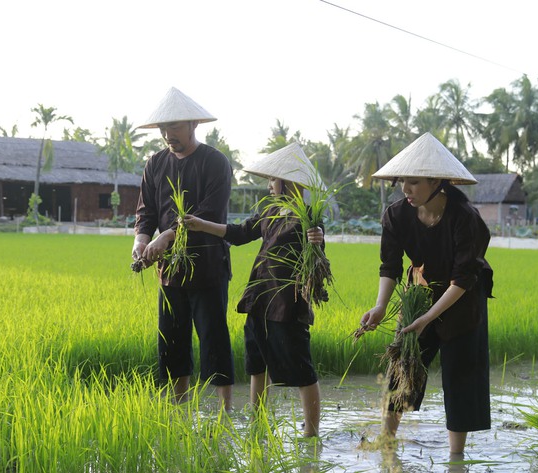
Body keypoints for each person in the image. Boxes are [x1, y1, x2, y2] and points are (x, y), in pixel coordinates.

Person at [359, 132, 493, 454]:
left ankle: (455, 456)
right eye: (403, 181)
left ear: (438, 182)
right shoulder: (396, 215)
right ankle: (387, 441)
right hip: (418, 296)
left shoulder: (465, 218)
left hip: (461, 301)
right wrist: (380, 307)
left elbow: (462, 278)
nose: (406, 189)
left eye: (414, 182)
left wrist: (430, 318)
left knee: (459, 375)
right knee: (402, 366)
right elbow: (389, 267)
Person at [183, 142, 326, 437]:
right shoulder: (270, 211)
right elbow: (238, 233)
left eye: (273, 180)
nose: (270, 185)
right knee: (255, 361)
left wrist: (318, 237)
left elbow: (317, 249)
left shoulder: (309, 216)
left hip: (288, 302)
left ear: (290, 183)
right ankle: (257, 422)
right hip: (260, 297)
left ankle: (311, 434)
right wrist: (200, 224)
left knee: (302, 367)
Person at [132, 86, 235, 410]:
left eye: (174, 127)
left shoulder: (215, 162)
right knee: (172, 341)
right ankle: (179, 407)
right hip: (170, 272)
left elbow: (210, 212)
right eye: (163, 129)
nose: (167, 135)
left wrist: (167, 236)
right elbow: (146, 211)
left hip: (207, 267)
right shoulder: (155, 164)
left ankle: (225, 411)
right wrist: (141, 241)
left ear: (193, 124)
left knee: (213, 339)